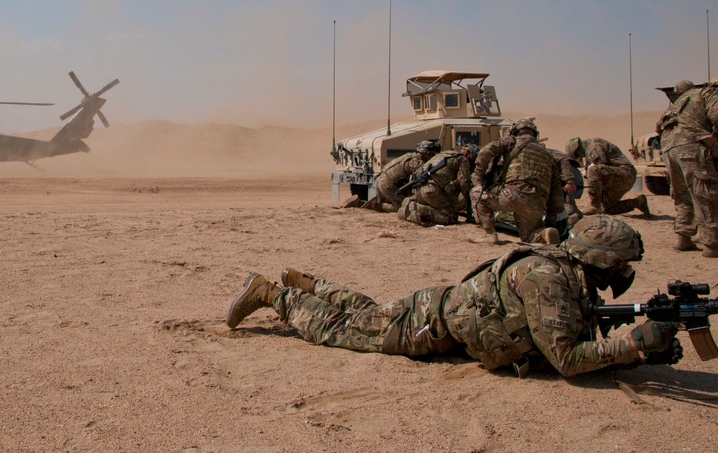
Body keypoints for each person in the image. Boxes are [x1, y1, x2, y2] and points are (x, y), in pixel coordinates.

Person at [225, 215, 682, 378]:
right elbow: (567, 358)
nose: (623, 273)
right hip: (435, 326)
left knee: (369, 313)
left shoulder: (563, 270)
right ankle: (271, 292)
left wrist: (637, 351)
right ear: (598, 261)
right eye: (620, 264)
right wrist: (634, 343)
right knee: (343, 330)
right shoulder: (549, 278)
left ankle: (308, 283)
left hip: (442, 311)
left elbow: (569, 328)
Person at [470, 118, 564, 244]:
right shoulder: (548, 154)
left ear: (515, 131)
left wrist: (478, 177)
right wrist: (550, 220)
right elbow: (557, 192)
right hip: (537, 203)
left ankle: (489, 234)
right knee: (528, 236)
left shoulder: (511, 141)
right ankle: (543, 233)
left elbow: (486, 151)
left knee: (477, 194)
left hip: (512, 195)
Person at [656, 79, 718, 257]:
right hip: (690, 145)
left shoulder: (674, 106)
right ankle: (712, 245)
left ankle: (683, 238)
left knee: (683, 195)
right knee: (705, 194)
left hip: (668, 149)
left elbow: (658, 127)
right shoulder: (704, 94)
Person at [565, 137, 649, 217]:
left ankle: (595, 206)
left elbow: (598, 164)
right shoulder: (589, 151)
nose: (579, 157)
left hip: (625, 174)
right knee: (608, 208)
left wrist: (587, 173)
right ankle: (638, 202)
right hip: (619, 177)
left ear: (578, 149)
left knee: (593, 170)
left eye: (576, 155)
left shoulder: (593, 145)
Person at [396, 144, 477, 226]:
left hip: (419, 189)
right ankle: (421, 210)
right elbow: (465, 184)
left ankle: (410, 204)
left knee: (439, 207)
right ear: (469, 154)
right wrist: (469, 205)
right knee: (451, 217)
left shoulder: (444, 154)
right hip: (431, 191)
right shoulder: (462, 159)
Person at [363, 140, 439, 212]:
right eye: (432, 155)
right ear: (426, 154)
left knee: (388, 201)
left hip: (380, 180)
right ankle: (376, 206)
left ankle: (367, 204)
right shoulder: (416, 163)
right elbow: (423, 177)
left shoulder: (410, 156)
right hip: (387, 185)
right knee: (402, 207)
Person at [546, 147, 583, 228]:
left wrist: (569, 181)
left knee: (565, 209)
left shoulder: (542, 152)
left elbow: (563, 160)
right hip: (554, 183)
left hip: (559, 184)